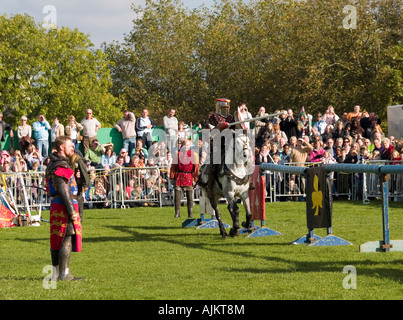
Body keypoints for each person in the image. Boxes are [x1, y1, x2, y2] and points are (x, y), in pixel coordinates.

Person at [45, 136, 82, 281]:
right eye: (70, 146)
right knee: (67, 236)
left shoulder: (54, 164)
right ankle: (64, 273)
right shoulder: (60, 166)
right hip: (64, 206)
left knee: (57, 238)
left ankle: (56, 273)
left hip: (58, 204)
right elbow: (63, 190)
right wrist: (72, 211)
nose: (73, 148)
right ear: (61, 147)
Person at [204, 98, 235, 198]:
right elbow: (210, 133)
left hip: (229, 143)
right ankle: (210, 187)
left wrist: (237, 123)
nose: (224, 108)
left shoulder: (231, 118)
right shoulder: (212, 118)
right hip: (217, 144)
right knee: (214, 162)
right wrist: (218, 127)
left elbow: (237, 129)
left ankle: (248, 181)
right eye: (222, 106)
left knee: (243, 155)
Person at [170, 138, 199, 218]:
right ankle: (177, 214)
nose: (186, 146)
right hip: (179, 176)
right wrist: (172, 177)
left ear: (190, 145)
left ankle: (190, 214)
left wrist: (195, 179)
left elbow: (196, 168)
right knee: (177, 197)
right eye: (185, 145)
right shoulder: (177, 153)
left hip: (189, 176)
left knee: (190, 198)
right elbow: (173, 166)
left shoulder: (194, 155)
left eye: (188, 145)